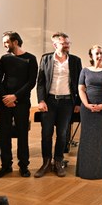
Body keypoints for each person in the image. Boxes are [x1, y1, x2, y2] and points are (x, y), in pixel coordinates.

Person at [35, 32, 82, 178]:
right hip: (49, 101)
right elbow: (41, 82)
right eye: (64, 43)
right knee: (46, 133)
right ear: (55, 45)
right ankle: (46, 162)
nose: (67, 45)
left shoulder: (75, 60)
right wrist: (41, 100)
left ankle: (58, 161)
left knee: (62, 135)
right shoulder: (46, 58)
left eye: (68, 43)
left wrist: (79, 102)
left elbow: (81, 83)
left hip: (67, 102)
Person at [0, 31, 38, 178]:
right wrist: (6, 97)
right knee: (5, 134)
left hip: (22, 102)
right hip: (5, 102)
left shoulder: (30, 59)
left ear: (15, 42)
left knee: (22, 134)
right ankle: (6, 166)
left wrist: (15, 97)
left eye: (7, 42)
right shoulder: (4, 58)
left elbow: (31, 82)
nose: (4, 45)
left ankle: (23, 166)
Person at [76, 45, 102, 179]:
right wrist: (86, 104)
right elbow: (81, 89)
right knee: (87, 139)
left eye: (101, 53)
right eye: (96, 53)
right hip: (87, 109)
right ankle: (85, 171)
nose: (99, 55)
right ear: (91, 56)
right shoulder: (85, 71)